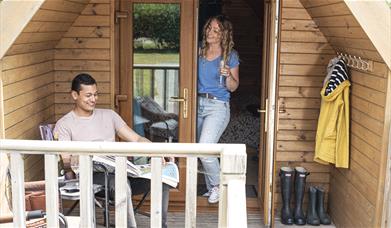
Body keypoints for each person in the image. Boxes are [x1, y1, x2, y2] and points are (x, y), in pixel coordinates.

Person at [53, 73, 170, 228]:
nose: (93, 99)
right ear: (75, 95)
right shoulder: (65, 124)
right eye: (88, 95)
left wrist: (156, 152)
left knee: (162, 178)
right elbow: (67, 162)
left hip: (120, 170)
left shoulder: (109, 115)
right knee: (122, 183)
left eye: (95, 94)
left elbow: (136, 139)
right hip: (93, 177)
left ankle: (161, 225)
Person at [197, 15, 240, 204]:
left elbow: (233, 87)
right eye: (209, 28)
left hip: (218, 106)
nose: (210, 32)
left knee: (205, 148)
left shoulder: (230, 56)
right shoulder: (199, 50)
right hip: (196, 104)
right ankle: (211, 188)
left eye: (216, 30)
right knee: (203, 151)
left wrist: (228, 74)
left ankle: (219, 186)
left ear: (224, 34)